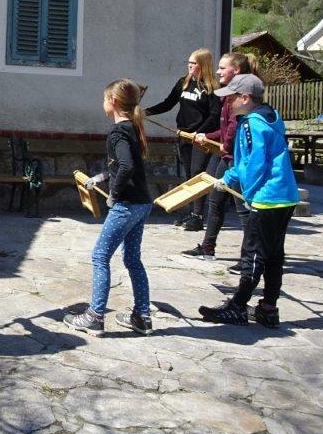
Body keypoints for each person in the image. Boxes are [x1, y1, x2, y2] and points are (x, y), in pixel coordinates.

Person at [198, 74, 299, 329]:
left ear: (245, 98)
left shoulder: (251, 124)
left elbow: (254, 164)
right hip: (284, 196)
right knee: (274, 254)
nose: (227, 103)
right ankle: (268, 308)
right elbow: (250, 161)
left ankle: (237, 307)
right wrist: (228, 177)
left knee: (252, 254)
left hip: (266, 198)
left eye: (231, 98)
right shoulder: (271, 116)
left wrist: (248, 193)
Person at [64, 79, 154, 336]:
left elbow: (126, 166)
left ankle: (95, 317)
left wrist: (114, 194)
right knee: (132, 259)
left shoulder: (118, 132)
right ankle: (142, 317)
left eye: (104, 99)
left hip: (126, 205)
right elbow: (121, 166)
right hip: (142, 203)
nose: (102, 103)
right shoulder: (132, 127)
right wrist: (101, 178)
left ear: (113, 102)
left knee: (100, 256)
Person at [181, 52, 258, 263]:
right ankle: (208, 247)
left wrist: (225, 143)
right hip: (226, 156)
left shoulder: (241, 97)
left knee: (243, 209)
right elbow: (224, 129)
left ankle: (249, 257)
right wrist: (207, 136)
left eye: (223, 68)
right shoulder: (227, 94)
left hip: (237, 159)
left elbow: (235, 127)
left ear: (237, 70)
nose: (218, 71)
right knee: (215, 201)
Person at [145, 47, 220, 232]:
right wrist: (146, 112)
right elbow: (168, 103)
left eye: (194, 63)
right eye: (189, 62)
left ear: (203, 65)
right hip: (184, 135)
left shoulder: (212, 88)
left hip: (201, 138)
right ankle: (191, 213)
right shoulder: (183, 82)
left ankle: (198, 216)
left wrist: (200, 133)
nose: (189, 66)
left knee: (197, 173)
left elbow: (214, 116)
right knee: (188, 175)